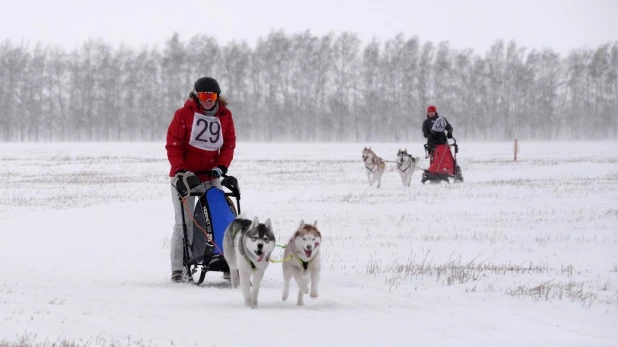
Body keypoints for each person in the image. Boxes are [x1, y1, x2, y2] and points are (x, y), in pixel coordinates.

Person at [165, 77, 236, 282]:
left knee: (219, 218)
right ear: (196, 95)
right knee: (184, 223)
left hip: (210, 175)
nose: (207, 100)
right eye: (203, 96)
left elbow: (229, 144)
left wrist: (221, 166)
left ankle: (225, 262)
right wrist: (180, 170)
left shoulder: (225, 116)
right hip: (185, 178)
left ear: (217, 96)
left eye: (211, 96)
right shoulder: (183, 114)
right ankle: (179, 268)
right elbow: (173, 145)